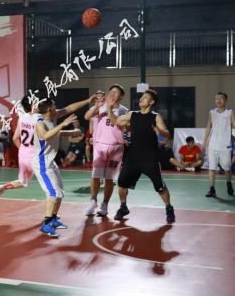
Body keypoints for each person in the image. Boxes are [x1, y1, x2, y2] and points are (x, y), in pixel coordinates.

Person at [107, 89, 175, 223]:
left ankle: (169, 208)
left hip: (150, 158)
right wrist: (109, 107)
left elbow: (167, 134)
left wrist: (159, 131)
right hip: (133, 157)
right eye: (141, 97)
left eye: (145, 97)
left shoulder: (155, 117)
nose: (141, 99)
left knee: (160, 187)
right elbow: (115, 121)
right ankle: (123, 207)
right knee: (121, 182)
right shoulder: (132, 114)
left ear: (151, 102)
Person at [32, 95, 95, 237]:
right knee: (53, 193)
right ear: (50, 109)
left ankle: (53, 219)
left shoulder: (53, 116)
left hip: (50, 162)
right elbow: (46, 136)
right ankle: (46, 225)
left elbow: (70, 108)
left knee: (60, 192)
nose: (57, 107)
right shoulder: (40, 123)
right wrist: (64, 124)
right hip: (42, 164)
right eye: (54, 105)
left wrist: (87, 101)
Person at [84, 85, 128, 217]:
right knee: (95, 175)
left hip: (116, 147)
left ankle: (105, 205)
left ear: (121, 96)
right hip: (100, 145)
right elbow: (87, 116)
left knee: (109, 178)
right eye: (111, 92)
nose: (112, 94)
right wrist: (97, 106)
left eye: (116, 93)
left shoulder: (124, 110)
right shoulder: (100, 107)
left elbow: (124, 125)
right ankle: (93, 201)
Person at [203, 92, 235, 197]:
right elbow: (208, 126)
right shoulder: (212, 112)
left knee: (227, 168)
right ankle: (212, 189)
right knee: (212, 168)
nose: (218, 100)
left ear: (225, 100)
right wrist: (204, 141)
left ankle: (229, 183)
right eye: (216, 98)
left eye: (221, 98)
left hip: (225, 146)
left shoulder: (229, 112)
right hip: (213, 145)